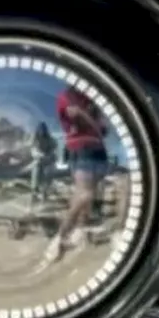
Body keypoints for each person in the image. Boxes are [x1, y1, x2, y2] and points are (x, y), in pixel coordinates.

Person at [46, 88, 109, 261]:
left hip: (98, 149)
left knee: (85, 196)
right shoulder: (68, 95)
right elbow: (76, 113)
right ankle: (59, 237)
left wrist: (97, 123)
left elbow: (104, 129)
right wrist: (95, 123)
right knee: (85, 195)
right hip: (81, 148)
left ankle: (79, 231)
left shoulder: (93, 99)